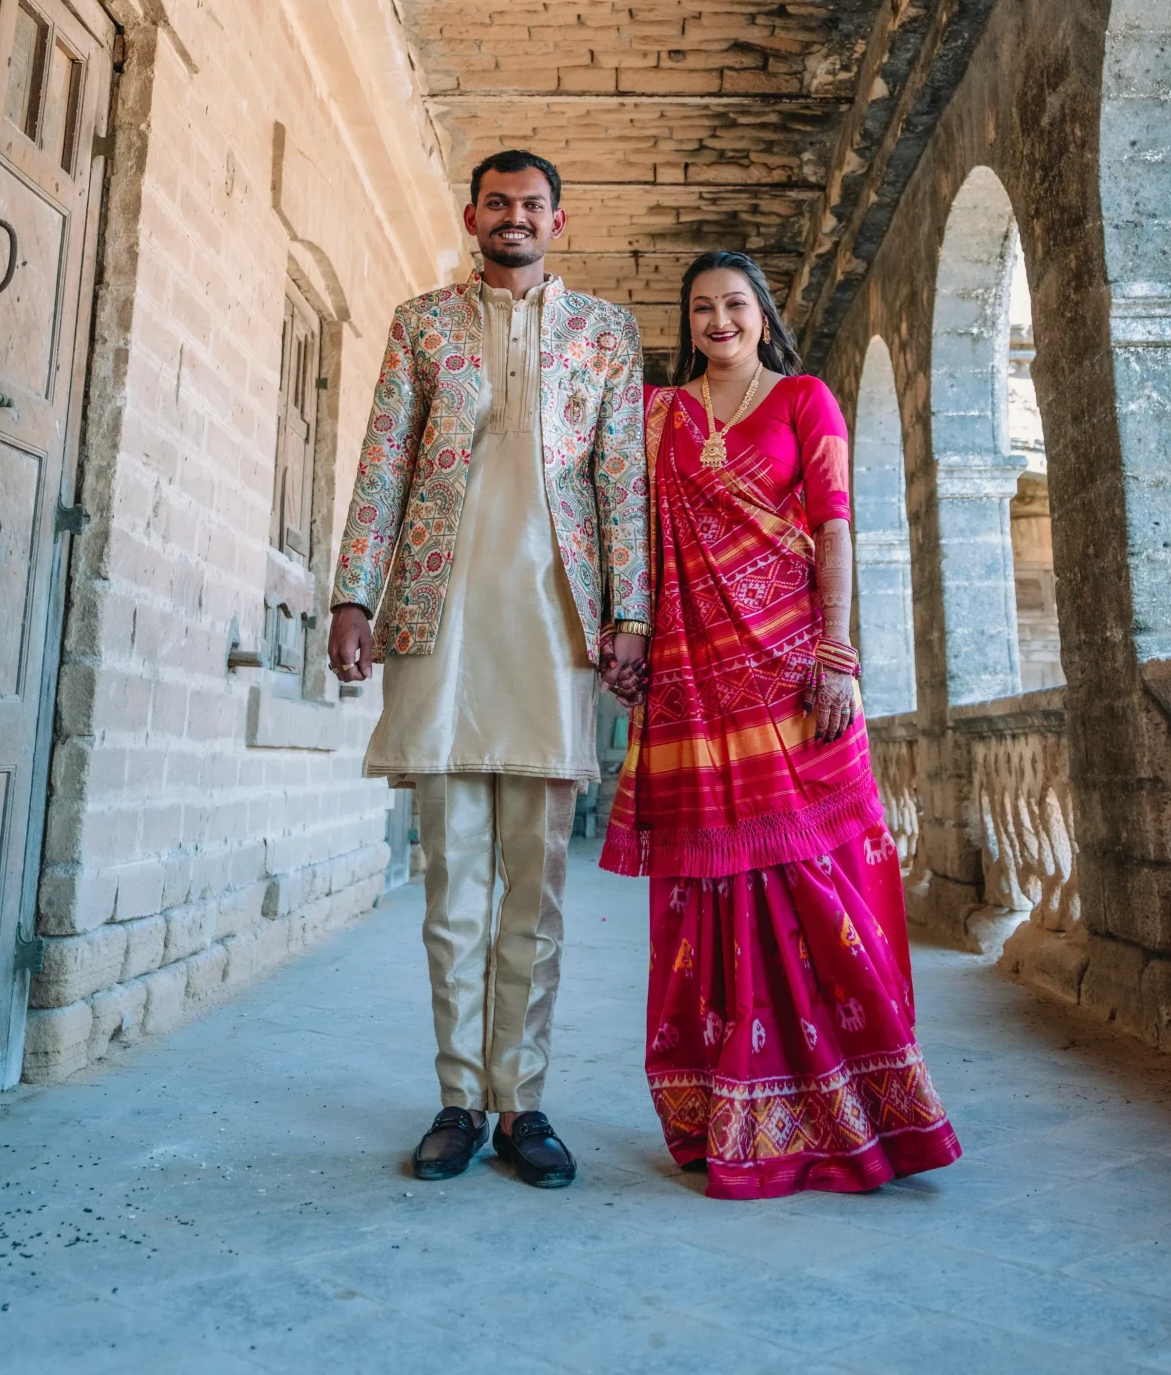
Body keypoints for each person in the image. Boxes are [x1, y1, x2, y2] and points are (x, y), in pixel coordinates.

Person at [599, 252, 960, 1199]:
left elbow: (833, 525)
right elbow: (625, 533)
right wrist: (624, 632)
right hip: (692, 681)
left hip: (796, 672)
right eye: (701, 308)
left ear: (763, 315)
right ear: (687, 323)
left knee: (820, 876)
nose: (718, 320)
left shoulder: (805, 399)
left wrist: (836, 655)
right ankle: (729, 1106)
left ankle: (858, 1108)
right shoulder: (658, 416)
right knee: (707, 891)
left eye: (735, 304)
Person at [328, 150, 649, 1189]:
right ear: (472, 216)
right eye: (498, 202)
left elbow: (621, 479)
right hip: (440, 623)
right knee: (453, 882)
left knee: (536, 888)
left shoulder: (605, 332)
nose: (516, 216)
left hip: (552, 627)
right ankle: (460, 1099)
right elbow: (383, 461)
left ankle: (523, 1103)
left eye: (533, 204)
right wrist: (352, 595)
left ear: (559, 220)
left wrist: (629, 614)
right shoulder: (422, 324)